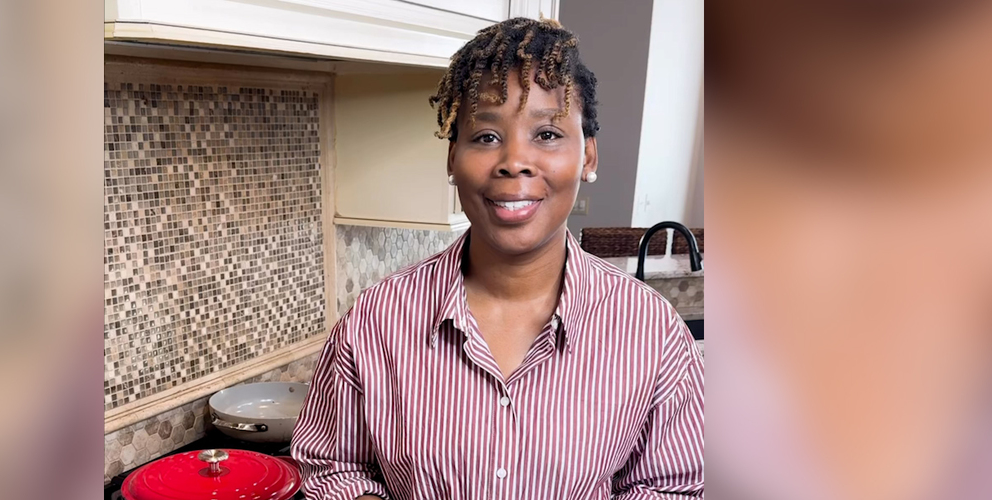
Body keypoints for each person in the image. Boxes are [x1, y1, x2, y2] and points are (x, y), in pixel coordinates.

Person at [291, 17, 704, 500]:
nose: (513, 160)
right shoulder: (377, 321)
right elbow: (331, 467)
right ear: (452, 159)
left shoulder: (650, 331)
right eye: (486, 137)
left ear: (588, 156)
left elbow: (674, 487)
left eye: (547, 134)